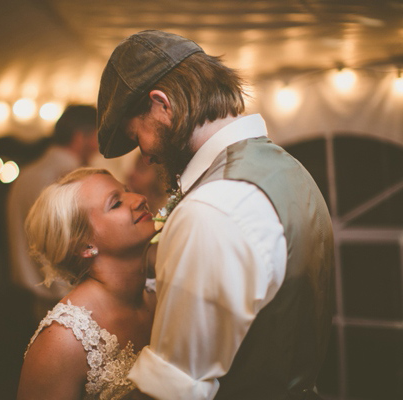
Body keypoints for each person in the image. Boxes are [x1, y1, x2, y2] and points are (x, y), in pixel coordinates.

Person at [96, 30, 334, 399]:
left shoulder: (211, 209)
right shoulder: (286, 169)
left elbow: (173, 390)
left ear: (162, 105)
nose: (145, 154)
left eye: (137, 133)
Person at [17, 168, 158, 400]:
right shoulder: (63, 340)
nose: (139, 199)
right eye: (116, 203)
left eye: (128, 191)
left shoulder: (161, 293)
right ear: (84, 246)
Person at [7, 105, 99, 325]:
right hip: (69, 296)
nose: (99, 146)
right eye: (97, 137)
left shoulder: (26, 175)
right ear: (80, 137)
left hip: (31, 295)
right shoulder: (70, 179)